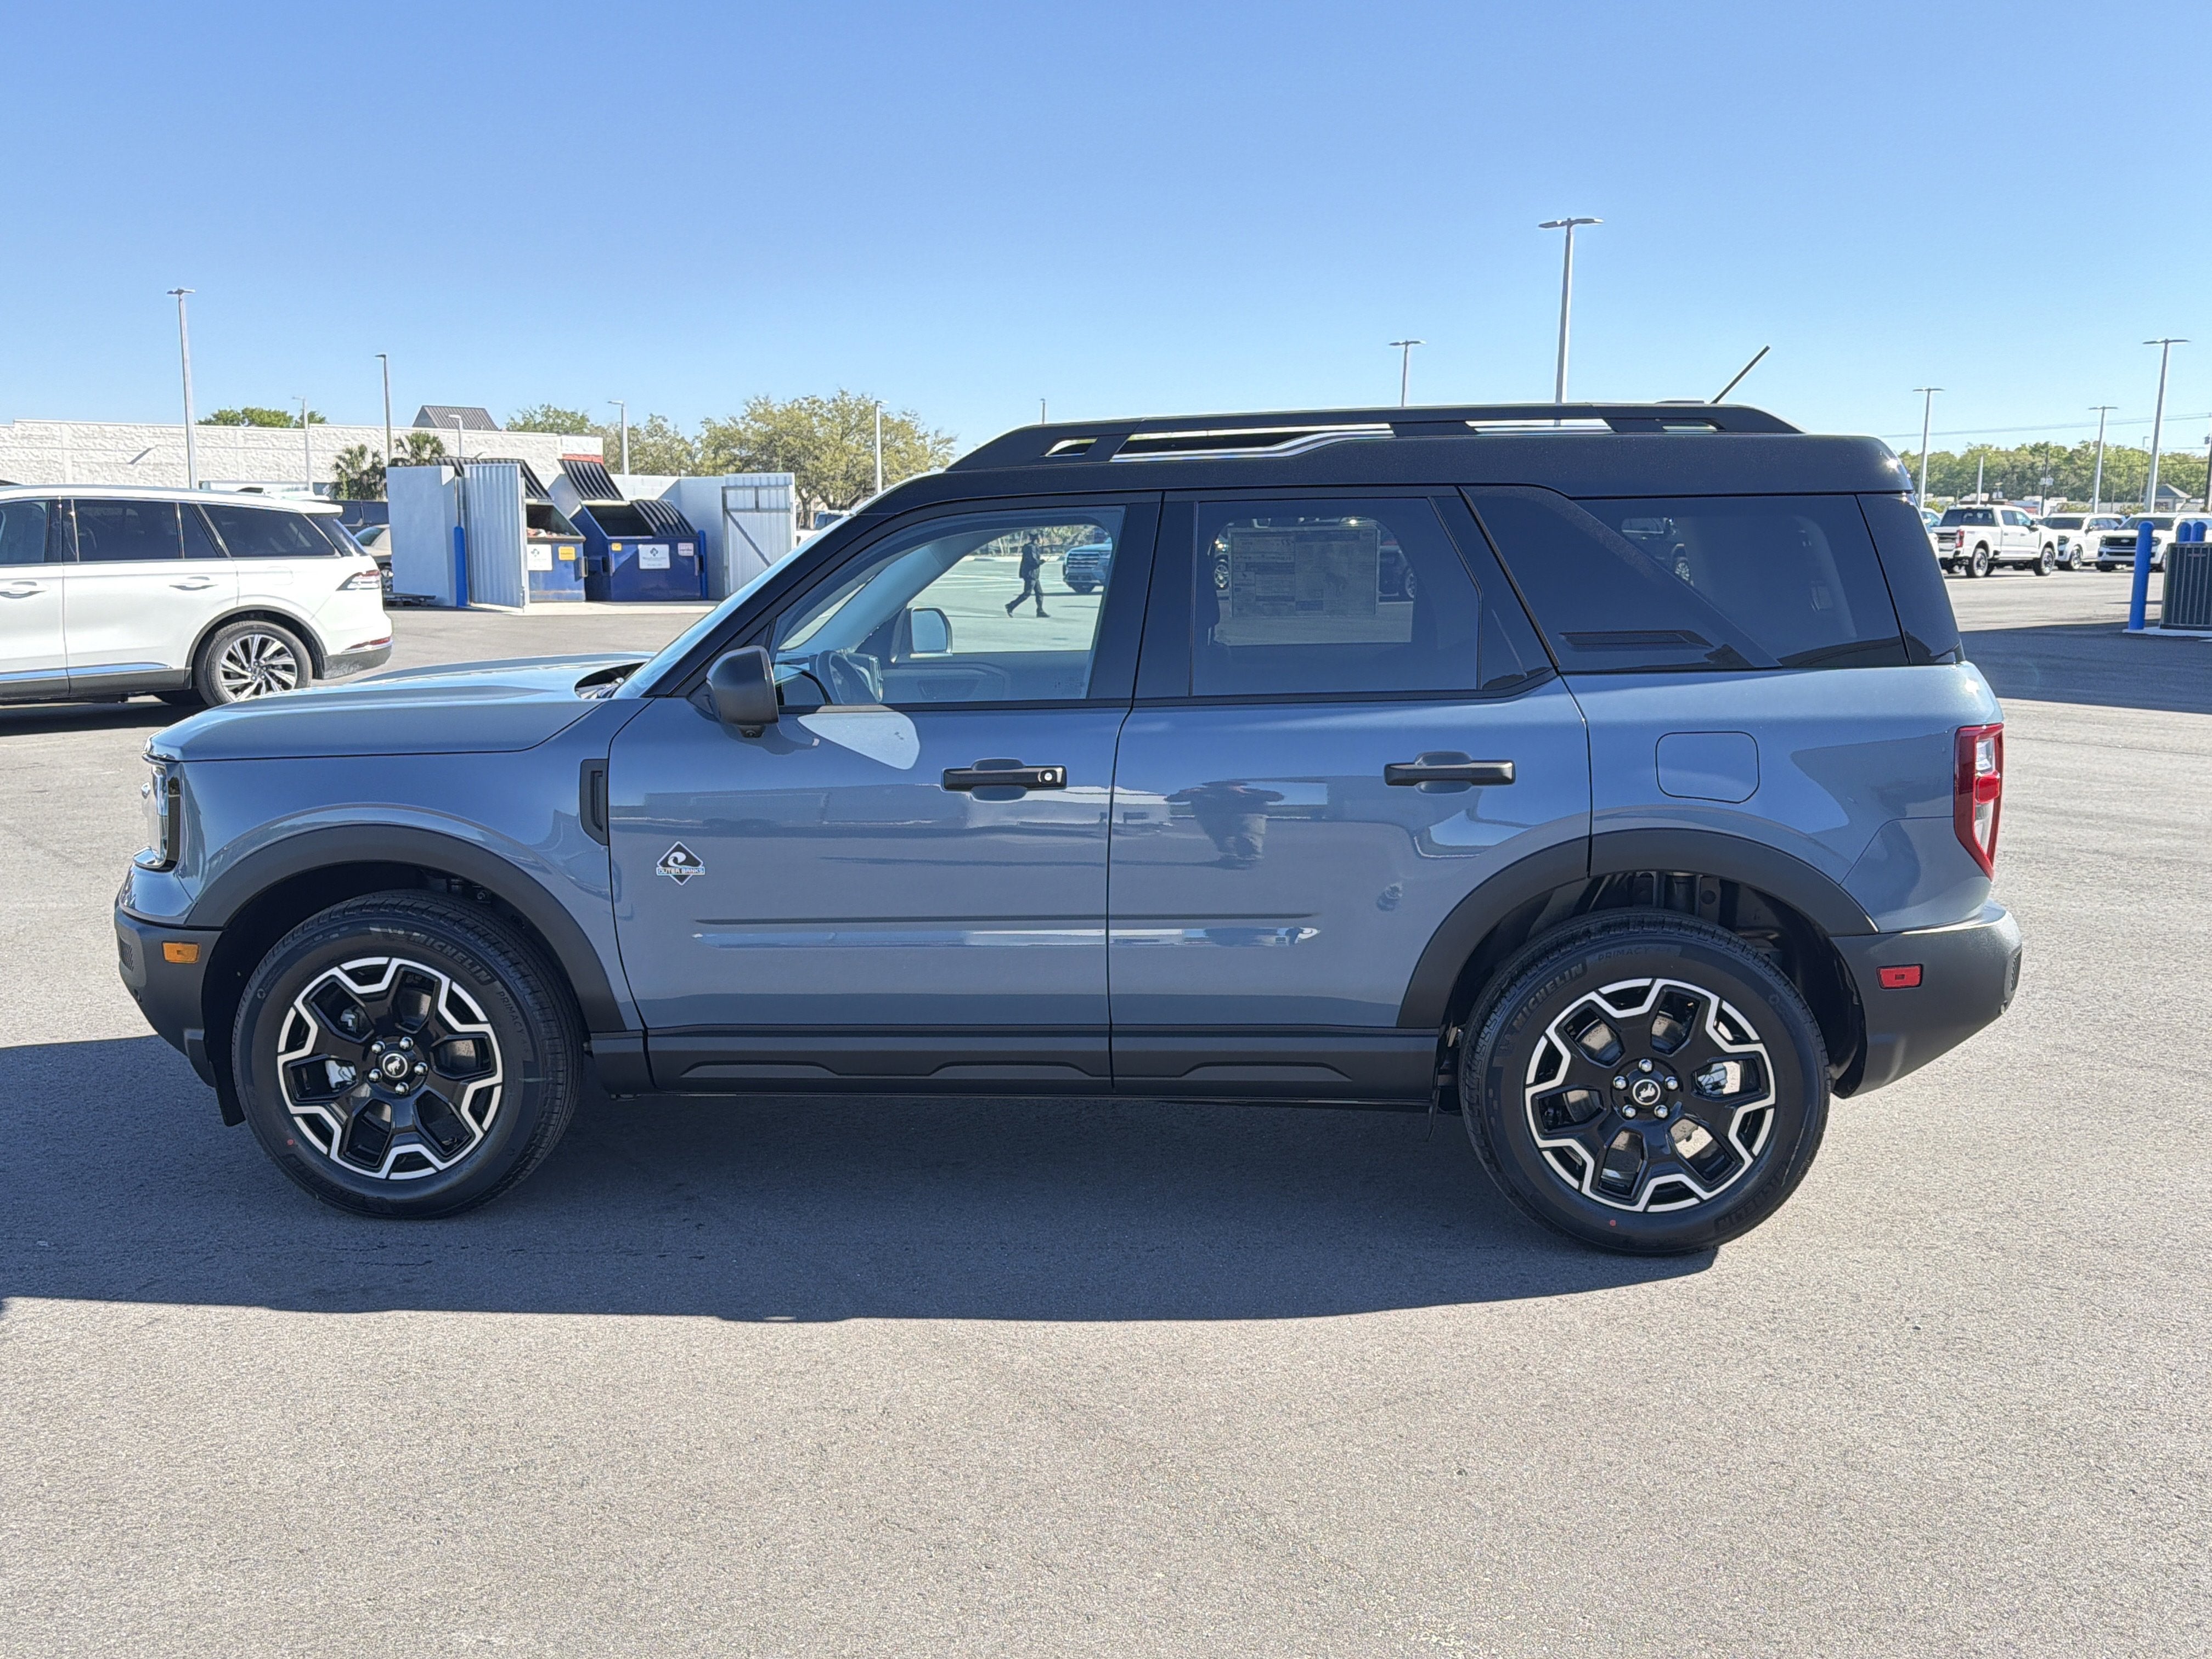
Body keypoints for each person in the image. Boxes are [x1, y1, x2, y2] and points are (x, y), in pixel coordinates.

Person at [1005, 535, 1049, 618]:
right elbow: (1034, 562)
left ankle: (1040, 611)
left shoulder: (1033, 548)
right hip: (1030, 574)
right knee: (1027, 593)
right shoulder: (1031, 548)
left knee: (1039, 593)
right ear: (1036, 540)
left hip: (1034, 575)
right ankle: (1011, 606)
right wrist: (1043, 561)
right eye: (1041, 539)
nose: (1042, 541)